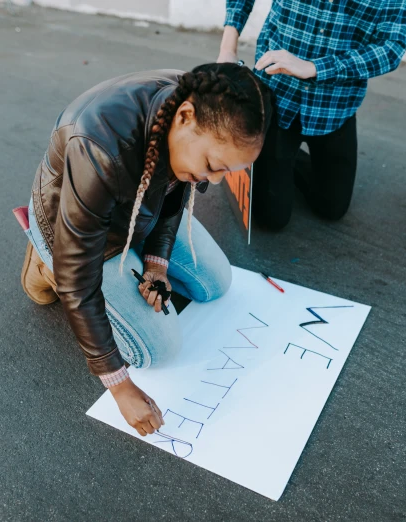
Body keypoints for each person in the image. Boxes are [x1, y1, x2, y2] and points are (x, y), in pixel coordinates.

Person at [20, 64, 273, 436]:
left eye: (227, 171)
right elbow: (77, 273)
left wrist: (156, 266)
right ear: (185, 118)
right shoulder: (99, 147)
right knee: (158, 350)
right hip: (76, 232)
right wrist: (119, 385)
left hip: (140, 211)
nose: (215, 180)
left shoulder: (190, 106)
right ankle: (43, 265)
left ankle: (133, 262)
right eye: (211, 166)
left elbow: (174, 190)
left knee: (216, 283)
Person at [218, 0, 406, 230]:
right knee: (270, 219)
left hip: (335, 107)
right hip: (278, 94)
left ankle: (282, 158)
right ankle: (270, 154)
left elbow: (392, 48)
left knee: (331, 208)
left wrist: (315, 68)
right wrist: (227, 50)